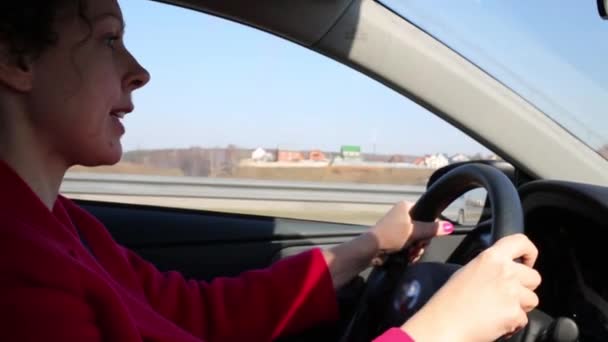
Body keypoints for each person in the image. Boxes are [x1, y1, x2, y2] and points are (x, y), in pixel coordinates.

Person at [0, 0, 541, 341]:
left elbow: (199, 315)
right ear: (17, 61)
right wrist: (439, 331)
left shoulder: (62, 225)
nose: (138, 72)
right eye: (108, 38)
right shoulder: (17, 265)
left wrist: (367, 246)